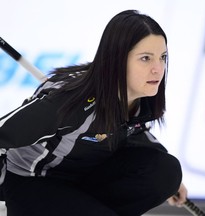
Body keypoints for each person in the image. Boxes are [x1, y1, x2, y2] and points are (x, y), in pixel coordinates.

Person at [0, 10, 187, 216]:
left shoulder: (140, 100)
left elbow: (131, 134)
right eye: (145, 58)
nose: (158, 69)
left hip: (80, 177)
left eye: (162, 57)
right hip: (34, 181)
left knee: (166, 172)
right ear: (117, 59)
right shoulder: (72, 101)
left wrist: (172, 182)